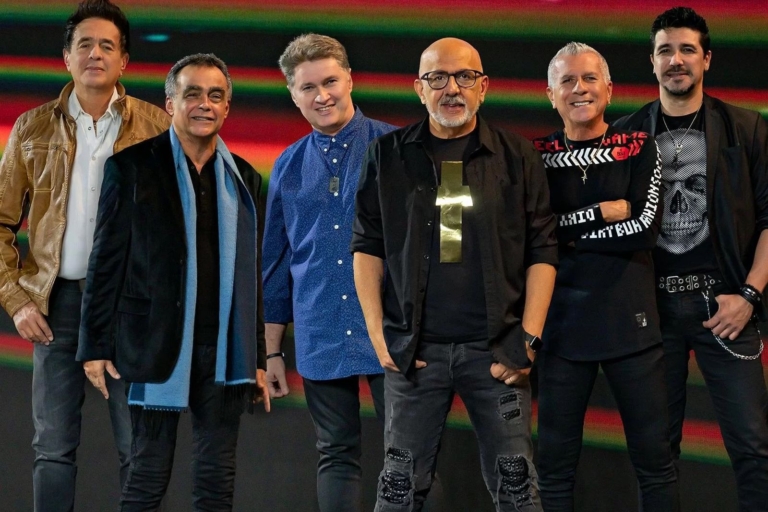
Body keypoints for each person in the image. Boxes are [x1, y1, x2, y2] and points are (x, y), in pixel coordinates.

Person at [352, 37, 557, 512]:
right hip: (414, 354)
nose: (452, 88)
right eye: (438, 77)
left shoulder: (517, 156)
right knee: (398, 492)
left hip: (497, 353)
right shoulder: (387, 155)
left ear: (483, 87)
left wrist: (528, 340)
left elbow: (543, 250)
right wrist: (378, 337)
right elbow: (367, 247)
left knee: (518, 490)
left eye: (465, 76)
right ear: (419, 89)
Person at [77, 53, 269, 511]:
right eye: (193, 94)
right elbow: (105, 262)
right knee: (146, 475)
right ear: (170, 104)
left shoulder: (244, 178)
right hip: (155, 343)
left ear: (227, 107)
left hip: (224, 350)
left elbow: (251, 275)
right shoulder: (132, 167)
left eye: (216, 96)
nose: (205, 104)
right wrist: (95, 346)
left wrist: (257, 355)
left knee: (217, 481)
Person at [0, 1, 169, 509]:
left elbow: (180, 227)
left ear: (124, 61)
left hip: (131, 307)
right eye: (85, 44)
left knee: (139, 447)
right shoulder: (31, 128)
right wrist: (17, 301)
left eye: (107, 46)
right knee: (52, 448)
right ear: (67, 57)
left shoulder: (158, 126)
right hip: (56, 305)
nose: (95, 53)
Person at [614, 7, 768, 510]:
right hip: (653, 313)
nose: (675, 60)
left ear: (706, 59)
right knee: (656, 456)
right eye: (665, 50)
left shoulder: (745, 128)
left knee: (754, 449)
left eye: (686, 49)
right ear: (652, 62)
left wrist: (749, 295)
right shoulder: (627, 135)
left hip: (726, 307)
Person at [532, 42, 678, 512]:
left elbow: (644, 230)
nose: (580, 89)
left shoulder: (638, 147)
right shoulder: (535, 157)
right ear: (550, 94)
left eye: (590, 78)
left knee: (656, 464)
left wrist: (565, 233)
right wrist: (597, 213)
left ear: (609, 90)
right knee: (554, 469)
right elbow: (531, 237)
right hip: (560, 331)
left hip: (631, 328)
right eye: (568, 81)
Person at [262, 34, 397, 512]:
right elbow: (276, 263)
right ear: (293, 95)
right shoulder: (288, 164)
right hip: (319, 328)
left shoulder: (396, 147)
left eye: (330, 82)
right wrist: (271, 351)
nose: (322, 96)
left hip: (393, 332)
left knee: (408, 455)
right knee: (335, 454)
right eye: (308, 87)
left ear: (350, 80)